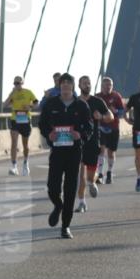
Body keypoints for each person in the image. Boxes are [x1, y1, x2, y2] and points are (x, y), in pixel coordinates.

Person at [38, 73, 93, 239]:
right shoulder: (51, 104)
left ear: (73, 86)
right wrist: (49, 134)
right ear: (59, 86)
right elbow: (42, 124)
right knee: (52, 187)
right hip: (57, 152)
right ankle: (58, 205)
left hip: (74, 152)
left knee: (70, 189)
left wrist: (80, 135)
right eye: (63, 83)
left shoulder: (81, 105)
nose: (66, 85)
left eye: (69, 83)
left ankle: (65, 226)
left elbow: (89, 127)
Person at [75, 75, 110, 213]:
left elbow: (111, 116)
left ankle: (92, 182)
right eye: (84, 83)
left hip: (93, 141)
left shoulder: (97, 101)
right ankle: (81, 202)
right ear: (79, 85)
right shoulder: (75, 102)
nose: (87, 85)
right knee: (80, 173)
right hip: (78, 141)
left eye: (89, 83)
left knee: (90, 175)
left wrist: (101, 117)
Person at [6, 76, 39, 176]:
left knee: (25, 145)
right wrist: (11, 94)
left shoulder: (28, 92)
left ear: (22, 83)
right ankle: (14, 166)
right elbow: (5, 104)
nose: (17, 85)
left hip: (25, 120)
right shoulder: (13, 93)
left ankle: (25, 163)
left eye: (18, 83)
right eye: (15, 83)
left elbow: (37, 103)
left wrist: (30, 106)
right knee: (14, 143)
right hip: (15, 120)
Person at [95, 76, 124, 185]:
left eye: (110, 85)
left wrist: (115, 111)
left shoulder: (116, 96)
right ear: (101, 86)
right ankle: (100, 173)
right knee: (101, 150)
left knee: (111, 152)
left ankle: (109, 172)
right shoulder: (97, 97)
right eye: (105, 85)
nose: (108, 87)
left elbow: (122, 112)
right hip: (100, 127)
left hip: (113, 127)